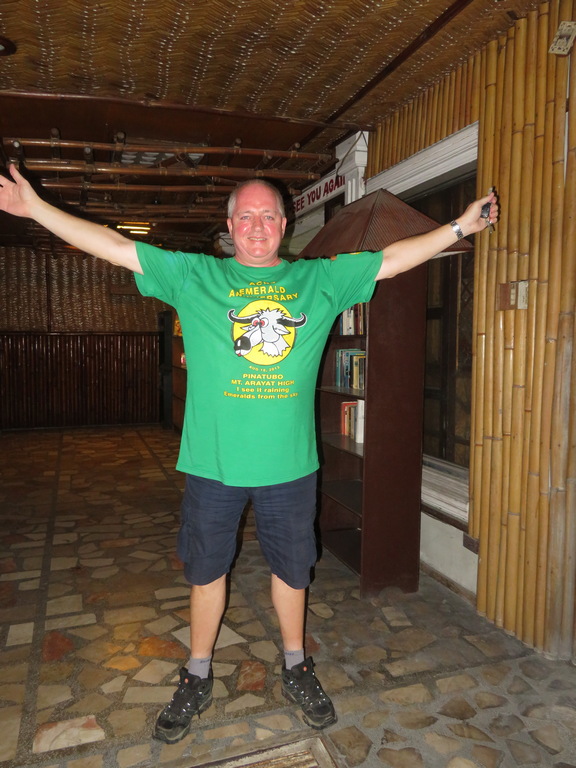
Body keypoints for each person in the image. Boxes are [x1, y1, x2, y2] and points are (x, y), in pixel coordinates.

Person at [0, 165, 498, 742]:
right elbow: (113, 246)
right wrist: (36, 210)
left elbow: (391, 259)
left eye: (267, 216)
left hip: (290, 469)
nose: (257, 226)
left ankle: (297, 666)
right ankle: (197, 673)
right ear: (229, 225)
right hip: (213, 466)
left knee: (293, 571)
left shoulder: (319, 280)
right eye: (246, 217)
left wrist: (459, 227)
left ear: (284, 225)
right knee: (206, 571)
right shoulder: (195, 277)